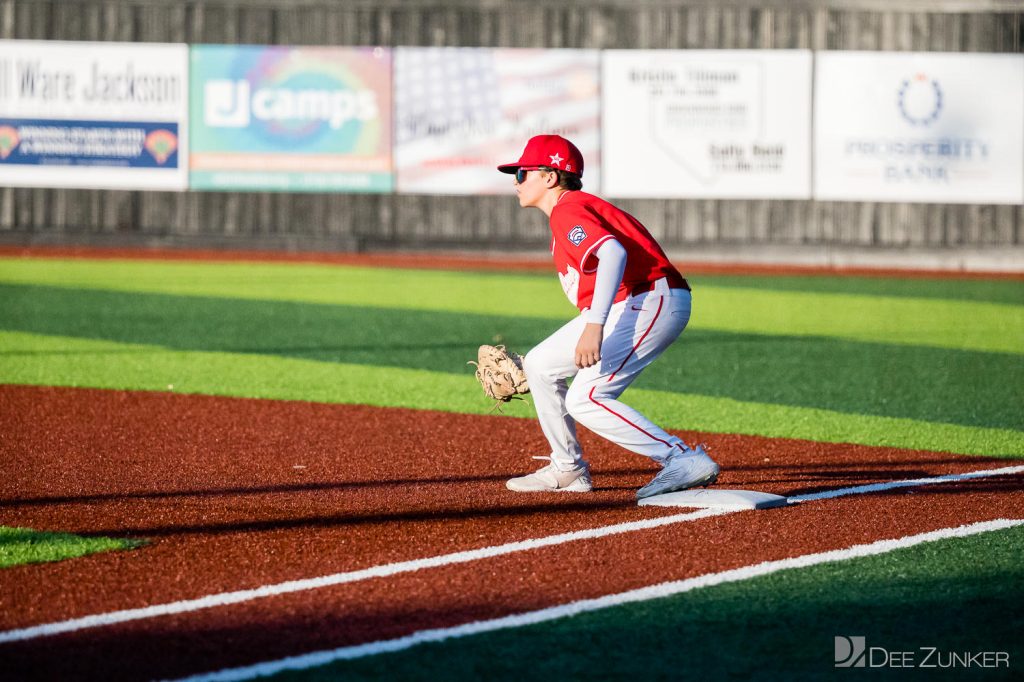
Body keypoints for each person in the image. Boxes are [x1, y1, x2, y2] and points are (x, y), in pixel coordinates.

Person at [497, 134, 719, 500]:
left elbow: (613, 253)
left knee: (586, 397)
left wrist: (594, 326)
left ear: (550, 177)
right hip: (634, 300)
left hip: (648, 298)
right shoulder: (570, 211)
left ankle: (681, 458)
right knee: (539, 364)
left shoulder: (569, 208)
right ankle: (567, 469)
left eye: (522, 173)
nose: (516, 181)